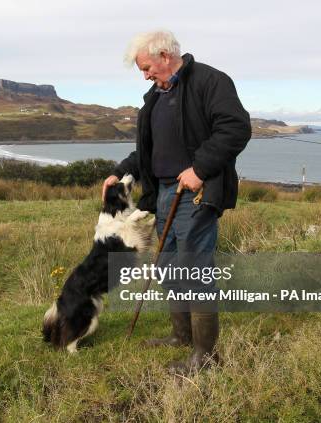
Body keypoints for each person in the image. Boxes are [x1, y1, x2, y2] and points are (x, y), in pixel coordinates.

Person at [102, 30, 251, 374]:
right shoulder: (155, 96)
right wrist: (122, 171)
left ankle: (205, 357)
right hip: (165, 193)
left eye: (147, 67)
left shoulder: (210, 81)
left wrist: (200, 168)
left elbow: (235, 128)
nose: (146, 75)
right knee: (169, 267)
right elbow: (149, 150)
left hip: (197, 192)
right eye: (142, 70)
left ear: (166, 56)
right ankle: (182, 337)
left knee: (194, 271)